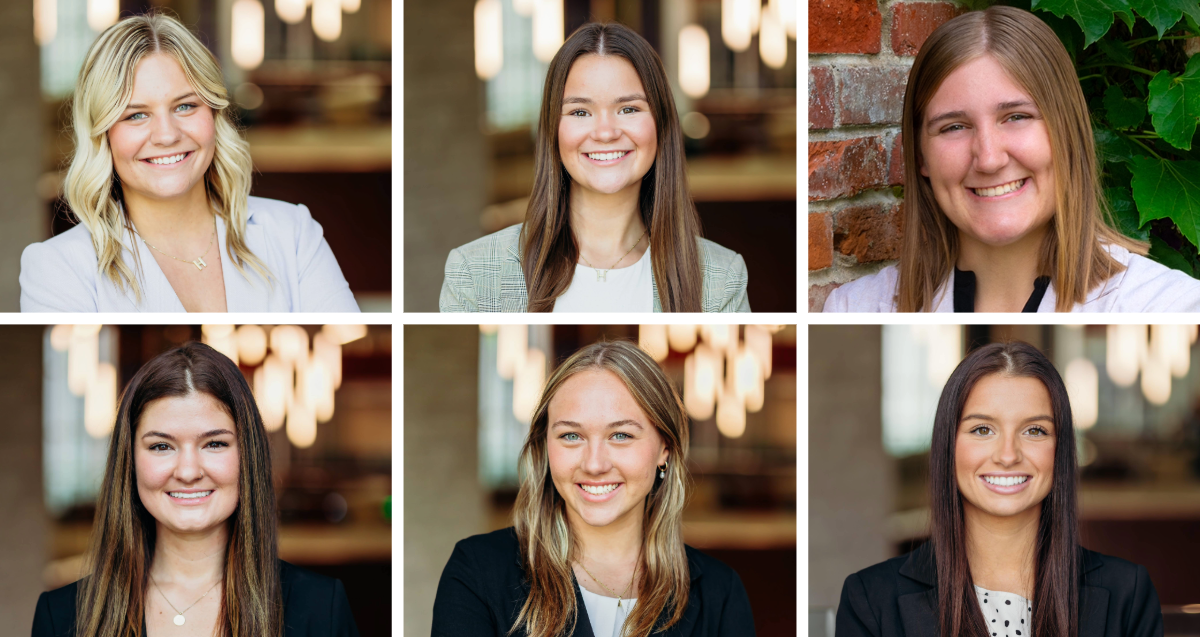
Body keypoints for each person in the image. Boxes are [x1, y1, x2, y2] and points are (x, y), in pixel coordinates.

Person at [823, 6, 1200, 312]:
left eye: (1017, 117)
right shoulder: (855, 309)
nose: (988, 158)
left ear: (1066, 134)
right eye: (954, 127)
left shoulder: (1170, 308)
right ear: (921, 155)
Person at [20, 12, 359, 312]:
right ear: (103, 134)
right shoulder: (56, 268)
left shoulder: (293, 234)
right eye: (136, 115)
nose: (166, 135)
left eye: (185, 106)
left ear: (214, 115)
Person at [31, 342, 359, 636]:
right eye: (161, 446)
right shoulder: (61, 617)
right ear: (129, 461)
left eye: (214, 443)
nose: (188, 472)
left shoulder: (321, 609)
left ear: (249, 455)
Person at [836, 341, 1163, 637]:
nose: (1008, 455)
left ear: (1059, 449)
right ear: (948, 446)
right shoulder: (871, 598)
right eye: (982, 429)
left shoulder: (1127, 593)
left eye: (1035, 430)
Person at [431, 340, 755, 636]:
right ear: (545, 446)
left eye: (621, 435)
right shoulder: (477, 571)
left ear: (664, 448)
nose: (594, 464)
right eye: (571, 436)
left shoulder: (719, 592)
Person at [440, 23, 749, 313]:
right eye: (580, 111)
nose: (605, 132)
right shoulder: (473, 272)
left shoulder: (721, 277)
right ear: (552, 130)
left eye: (628, 109)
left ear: (661, 123)